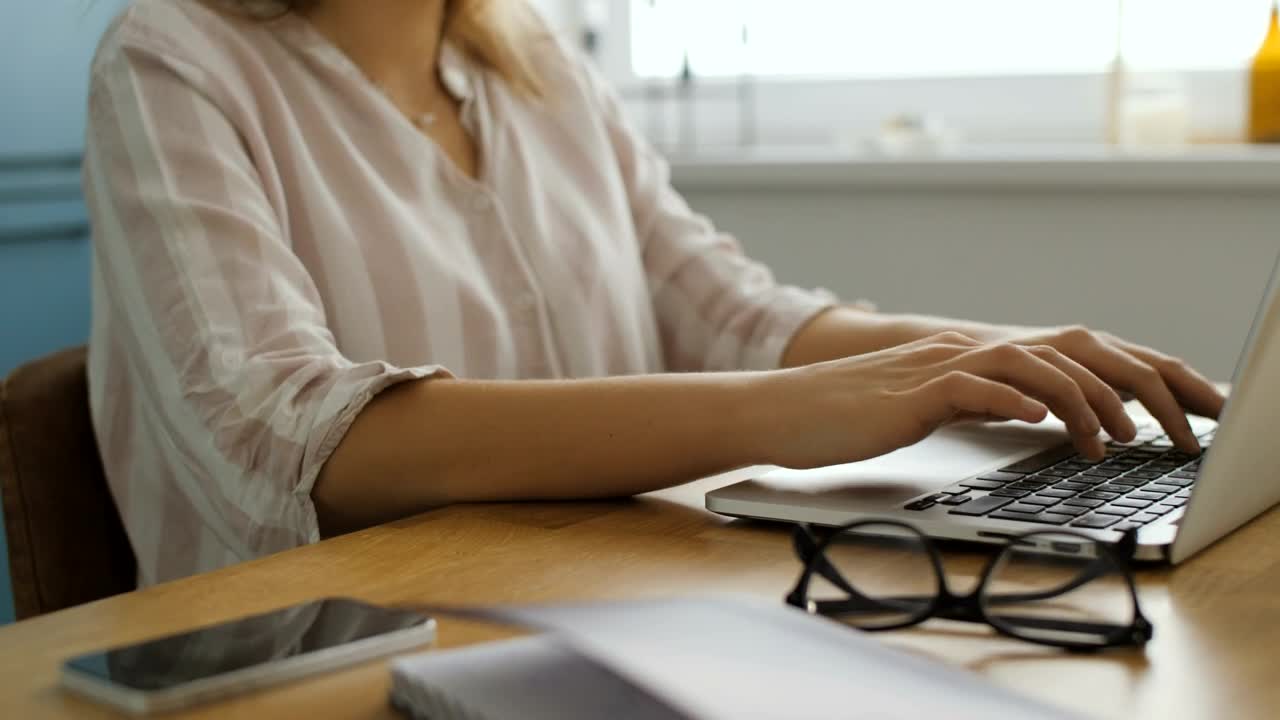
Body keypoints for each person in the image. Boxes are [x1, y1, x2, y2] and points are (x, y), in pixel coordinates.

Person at [83, 0, 1224, 586]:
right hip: (319, 658)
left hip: (588, 606)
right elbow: (284, 443)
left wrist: (1003, 354)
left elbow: (733, 312)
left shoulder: (536, 68)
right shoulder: (172, 60)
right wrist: (805, 408)